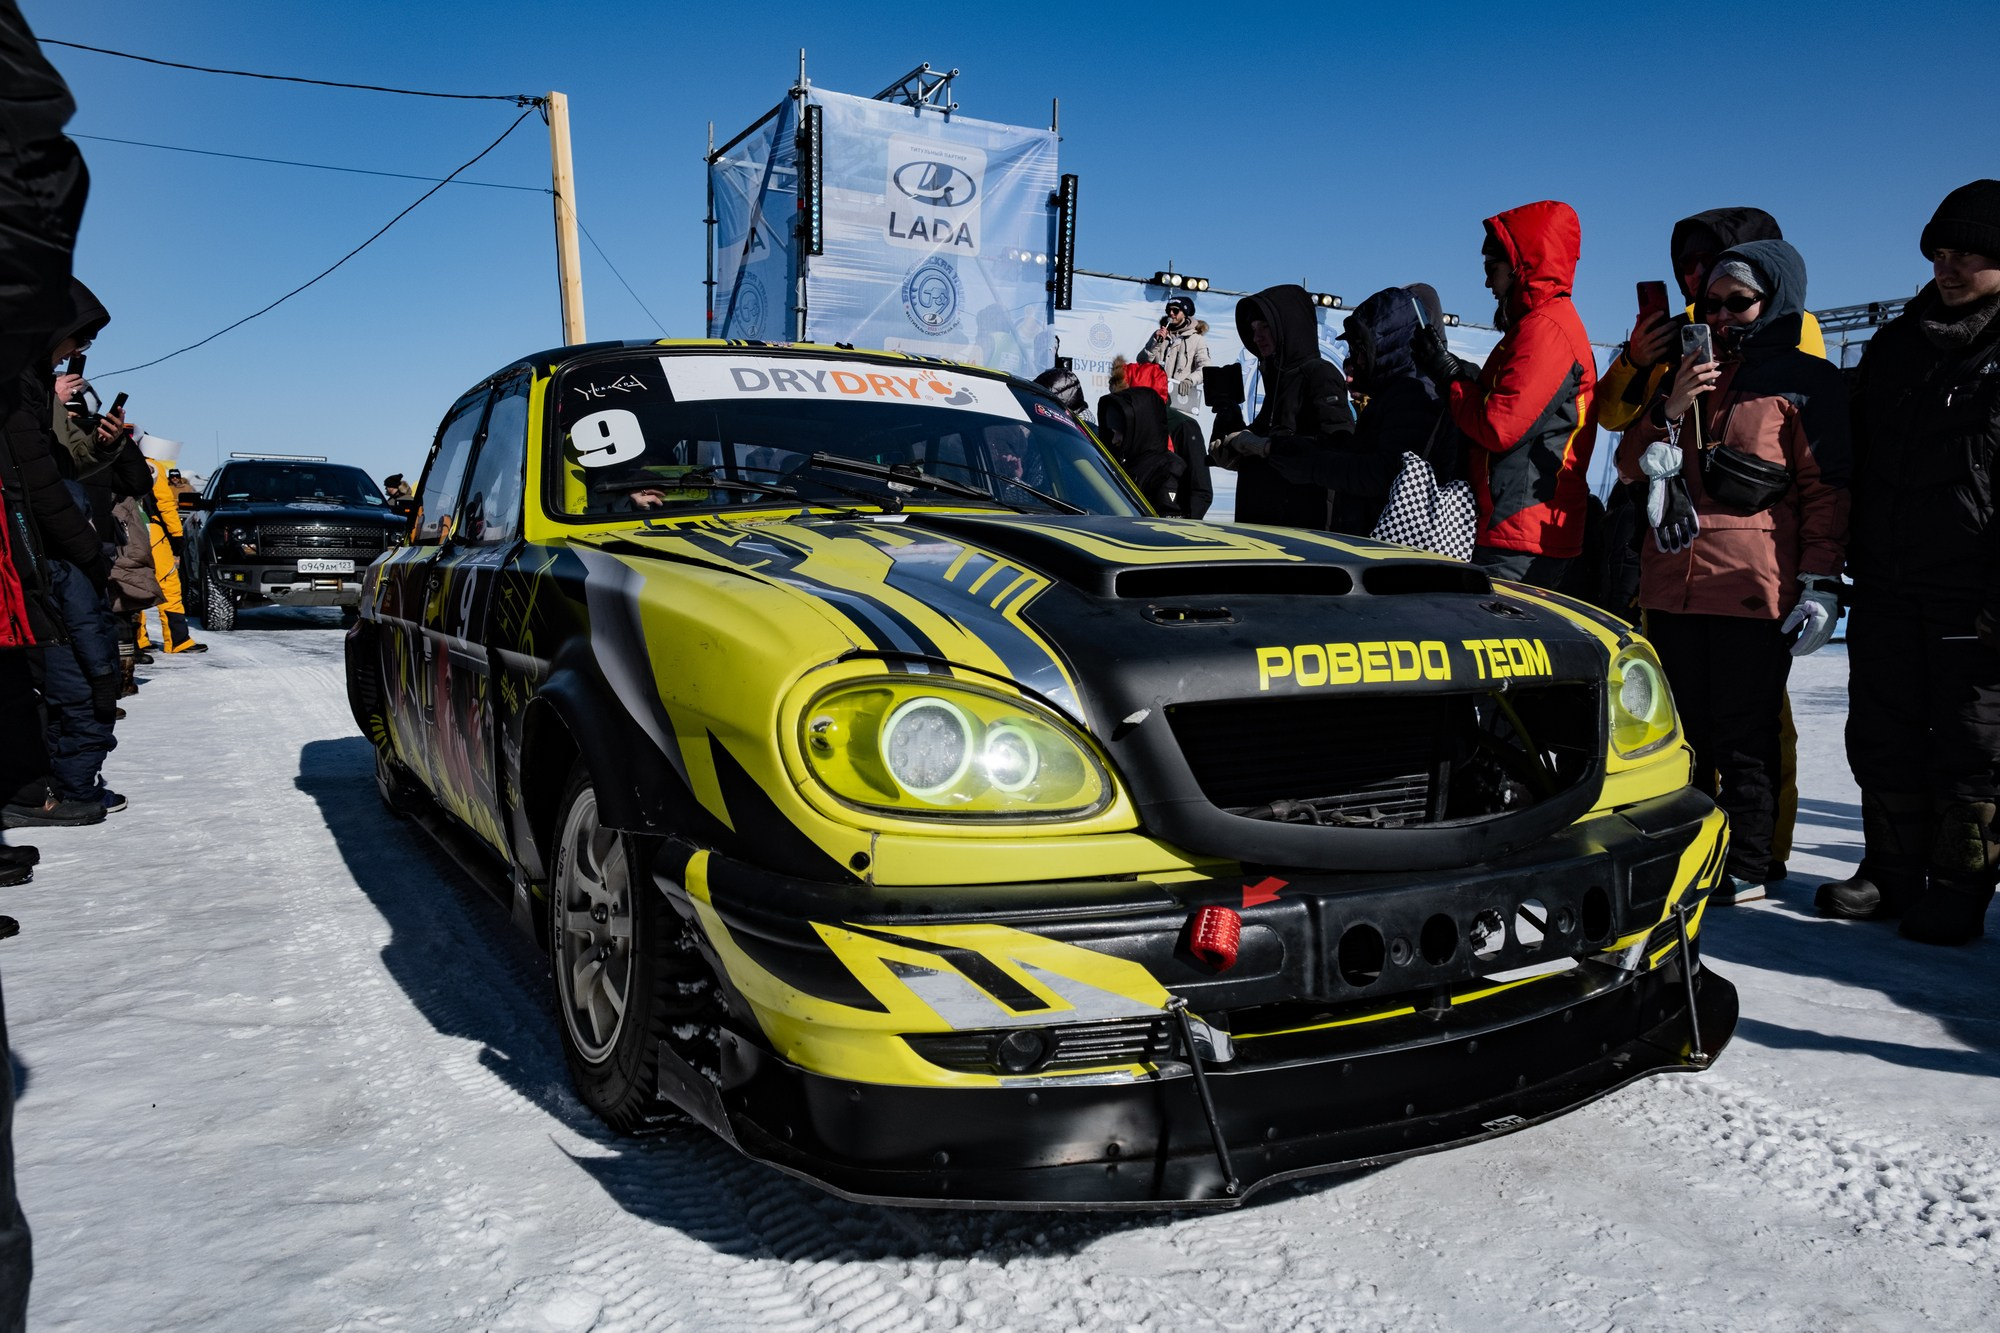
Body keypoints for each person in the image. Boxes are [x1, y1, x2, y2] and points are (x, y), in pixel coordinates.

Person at [1615, 239, 1850, 903]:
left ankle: (1749, 858)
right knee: (1683, 736)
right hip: (1671, 583)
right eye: (1710, 303)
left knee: (1745, 733)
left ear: (1775, 299)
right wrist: (1668, 404)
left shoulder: (1807, 382)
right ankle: (1690, 854)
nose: (1720, 315)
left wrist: (1821, 581)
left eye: (1737, 302)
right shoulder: (1683, 375)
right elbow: (1630, 465)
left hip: (1751, 586)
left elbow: (1826, 490)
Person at [1821, 180, 2000, 943]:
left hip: (1978, 588)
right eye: (1940, 252)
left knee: (1974, 742)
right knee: (1883, 729)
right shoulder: (1895, 346)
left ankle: (1960, 887)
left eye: (1968, 254)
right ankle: (1889, 873)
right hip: (1890, 577)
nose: (1949, 266)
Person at [1412, 201, 1596, 587]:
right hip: (1521, 526)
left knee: (1494, 642)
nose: (1486, 283)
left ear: (1521, 266)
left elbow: (1499, 426)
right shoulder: (1541, 325)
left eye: (1490, 269)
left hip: (1520, 533)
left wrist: (1448, 378)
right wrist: (1461, 375)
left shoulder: (1545, 329)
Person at [1247, 284, 1460, 537]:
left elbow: (1386, 475)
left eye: (1361, 350)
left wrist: (1312, 465)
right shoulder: (1394, 392)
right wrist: (1301, 449)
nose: (1356, 361)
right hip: (1373, 533)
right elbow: (1359, 452)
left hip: (1394, 542)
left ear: (1389, 344)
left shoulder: (1413, 393)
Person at [1210, 284, 1356, 527]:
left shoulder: (1319, 374)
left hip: (1302, 522)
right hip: (1262, 520)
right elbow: (1265, 439)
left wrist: (1267, 447)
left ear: (1289, 325)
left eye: (1265, 326)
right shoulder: (1277, 376)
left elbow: (1339, 446)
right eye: (1254, 329)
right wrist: (1231, 431)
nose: (1257, 337)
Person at [1122, 361, 1211, 517]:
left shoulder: (1184, 426)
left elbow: (1201, 490)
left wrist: (1184, 529)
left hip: (1172, 526)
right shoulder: (1129, 427)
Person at [1137, 295, 1210, 403]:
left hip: (1180, 398)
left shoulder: (1197, 339)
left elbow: (1205, 368)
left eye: (1175, 310)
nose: (1171, 313)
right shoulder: (1160, 334)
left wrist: (1190, 380)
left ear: (1185, 313)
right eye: (1168, 310)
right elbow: (1141, 361)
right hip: (1156, 396)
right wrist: (1155, 342)